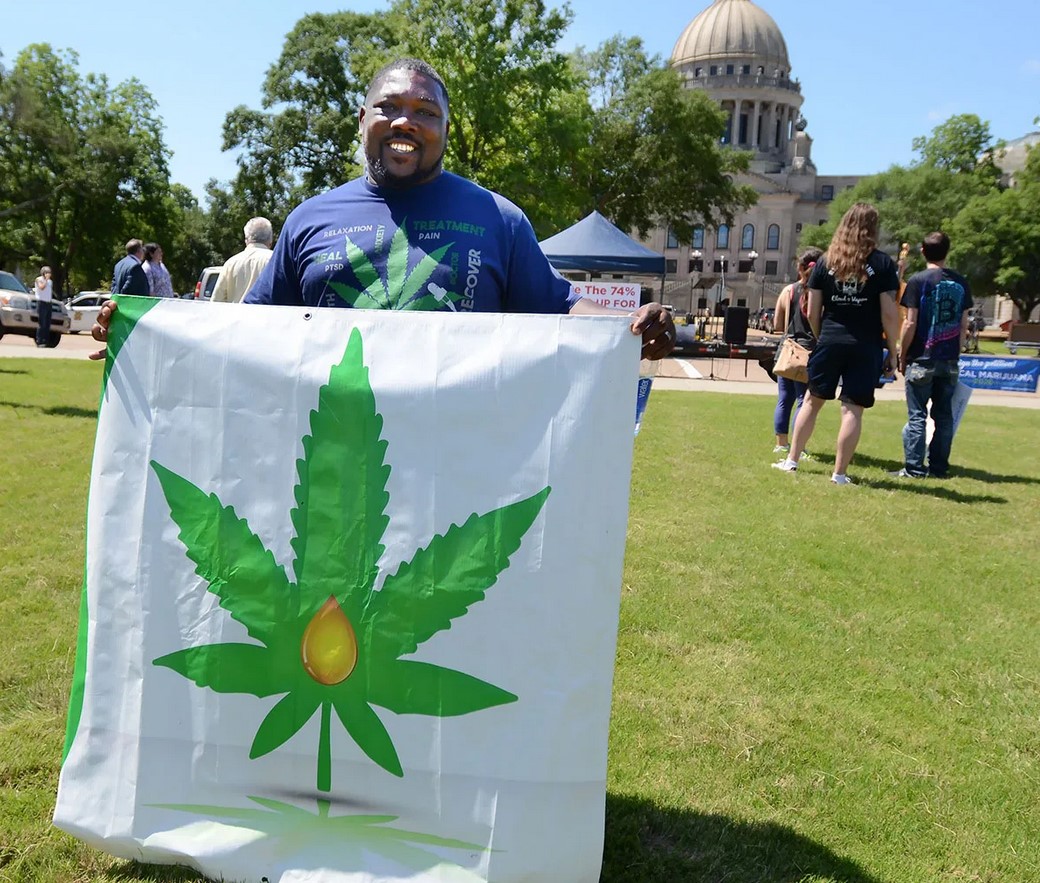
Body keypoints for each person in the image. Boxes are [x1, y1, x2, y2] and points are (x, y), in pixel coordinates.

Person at [94, 59, 673, 357]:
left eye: (426, 112)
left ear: (445, 130)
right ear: (362, 120)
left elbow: (561, 306)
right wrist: (143, 335)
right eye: (389, 107)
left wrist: (630, 324)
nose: (405, 121)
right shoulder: (308, 220)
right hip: (330, 462)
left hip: (457, 469)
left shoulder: (497, 219)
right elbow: (246, 331)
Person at [772, 203, 901, 485]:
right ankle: (839, 474)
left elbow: (812, 309)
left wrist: (821, 337)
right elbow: (889, 313)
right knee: (852, 409)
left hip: (830, 338)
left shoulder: (825, 261)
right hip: (865, 344)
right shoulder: (882, 264)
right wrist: (892, 350)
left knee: (812, 400)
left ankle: (791, 460)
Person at [892, 232, 973, 478]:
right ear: (947, 251)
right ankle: (938, 467)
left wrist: (902, 354)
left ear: (923, 252)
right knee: (944, 416)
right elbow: (963, 325)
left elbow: (910, 322)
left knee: (917, 415)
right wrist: (956, 353)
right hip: (948, 358)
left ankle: (914, 468)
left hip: (922, 357)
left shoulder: (918, 281)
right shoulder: (961, 283)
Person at [771, 247, 822, 454]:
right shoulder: (821, 293)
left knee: (784, 399)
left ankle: (781, 444)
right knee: (804, 400)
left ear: (800, 267)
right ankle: (799, 448)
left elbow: (777, 324)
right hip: (810, 351)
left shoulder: (788, 291)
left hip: (788, 350)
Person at [210, 218, 275, 304]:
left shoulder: (231, 263)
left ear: (246, 240)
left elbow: (217, 301)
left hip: (237, 312)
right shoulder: (275, 262)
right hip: (268, 312)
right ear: (270, 240)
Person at [34, 265, 54, 347]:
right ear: (43, 273)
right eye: (47, 273)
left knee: (47, 323)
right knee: (42, 323)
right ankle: (39, 341)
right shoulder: (39, 279)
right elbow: (41, 287)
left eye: (49, 273)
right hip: (41, 303)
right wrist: (45, 280)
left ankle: (46, 341)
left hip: (48, 303)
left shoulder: (50, 282)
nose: (49, 274)